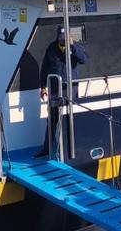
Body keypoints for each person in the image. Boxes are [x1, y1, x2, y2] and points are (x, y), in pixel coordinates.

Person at [37, 26, 89, 157]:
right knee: (52, 119)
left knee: (70, 118)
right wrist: (42, 87)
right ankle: (47, 149)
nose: (62, 41)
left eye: (65, 38)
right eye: (60, 38)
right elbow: (44, 68)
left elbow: (84, 60)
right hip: (55, 89)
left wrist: (73, 46)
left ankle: (70, 148)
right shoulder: (51, 48)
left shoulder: (75, 47)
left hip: (71, 90)